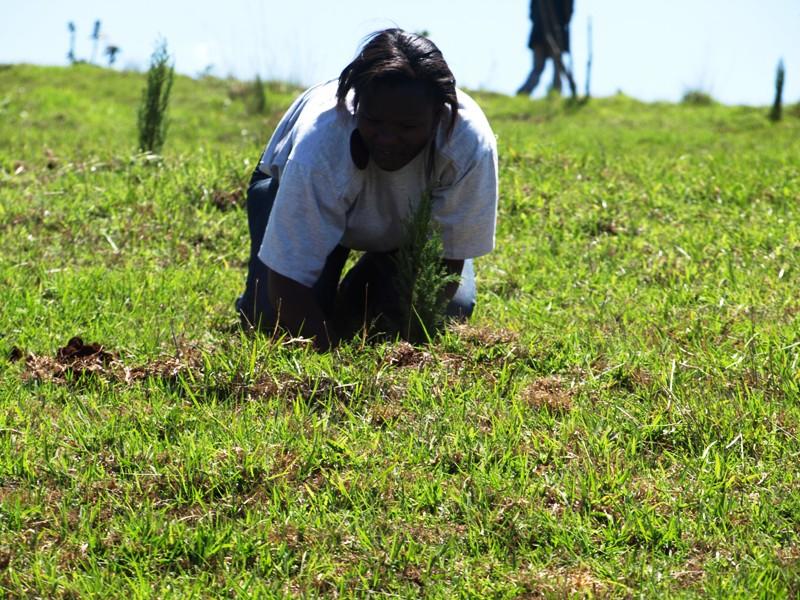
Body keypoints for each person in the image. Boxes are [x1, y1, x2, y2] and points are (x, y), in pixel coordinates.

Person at [236, 29, 498, 351]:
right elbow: (286, 283)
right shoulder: (319, 147)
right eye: (373, 121)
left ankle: (357, 293)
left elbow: (445, 265)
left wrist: (405, 339)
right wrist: (331, 360)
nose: (387, 138)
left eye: (407, 127)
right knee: (270, 320)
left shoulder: (467, 145)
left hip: (405, 231)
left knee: (448, 309)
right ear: (357, 103)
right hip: (285, 184)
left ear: (437, 117)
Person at [517, 0, 575, 96]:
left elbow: (532, 13)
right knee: (552, 67)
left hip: (543, 32)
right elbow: (568, 13)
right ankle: (554, 94)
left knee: (544, 67)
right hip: (552, 33)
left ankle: (526, 93)